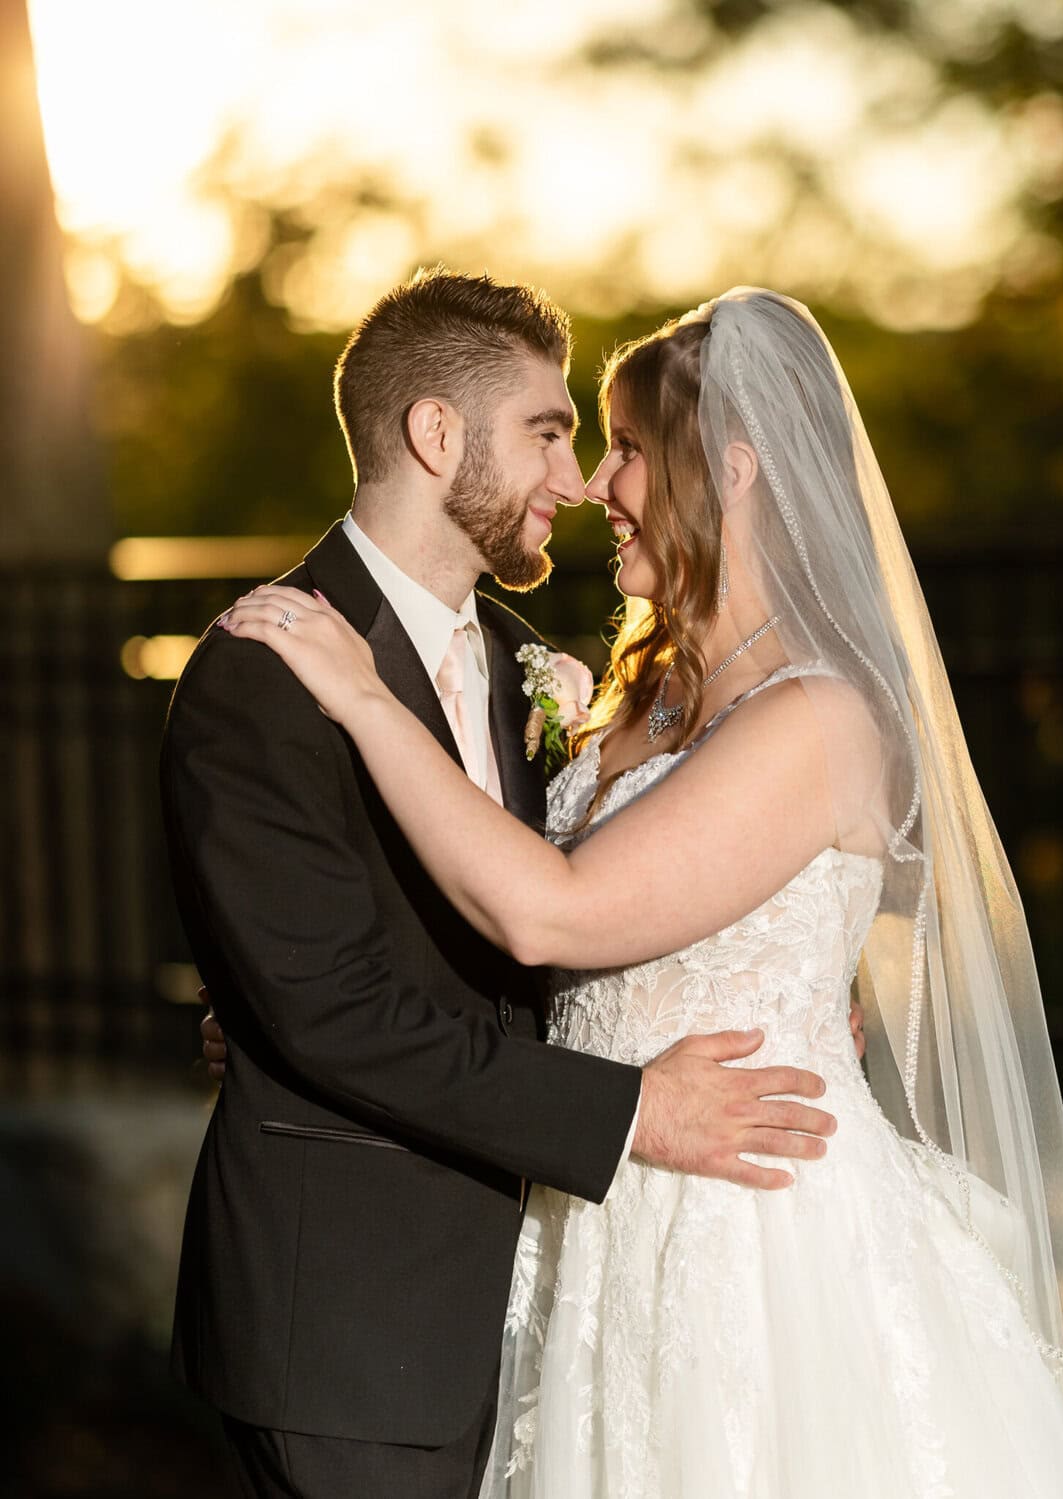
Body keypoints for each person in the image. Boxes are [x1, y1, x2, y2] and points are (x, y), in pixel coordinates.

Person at [217, 288, 1063, 1497]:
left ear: (733, 467)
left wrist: (367, 700)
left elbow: (555, 911)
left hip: (747, 1241)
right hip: (584, 1230)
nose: (598, 482)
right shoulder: (630, 699)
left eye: (630, 447)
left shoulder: (816, 715)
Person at [161, 271, 847, 1499]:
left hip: (563, 1290)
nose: (580, 479)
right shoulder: (266, 667)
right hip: (360, 1323)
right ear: (436, 435)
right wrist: (635, 1107)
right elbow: (335, 1006)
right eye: (551, 430)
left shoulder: (548, 672)